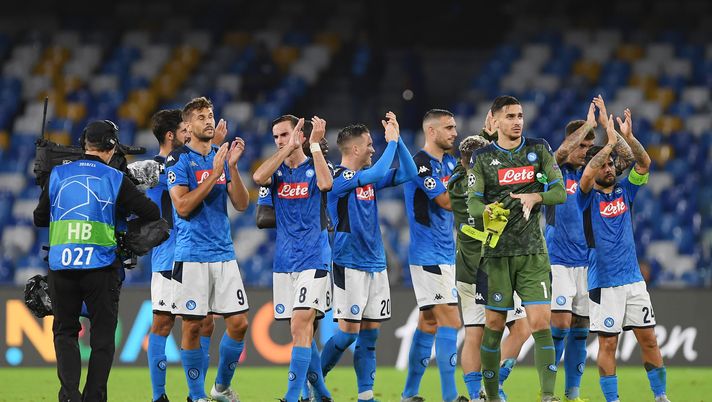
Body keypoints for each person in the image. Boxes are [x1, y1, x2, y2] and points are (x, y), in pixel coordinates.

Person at [33, 120, 161, 402]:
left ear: (84, 144)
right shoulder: (115, 179)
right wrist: (124, 230)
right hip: (101, 269)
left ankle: (69, 396)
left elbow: (40, 218)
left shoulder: (58, 174)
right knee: (102, 339)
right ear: (112, 147)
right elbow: (151, 212)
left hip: (61, 268)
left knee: (64, 333)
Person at [466, 95, 566, 402]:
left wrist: (537, 197)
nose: (517, 121)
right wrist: (487, 210)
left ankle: (548, 396)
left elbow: (560, 191)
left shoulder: (538, 149)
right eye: (510, 116)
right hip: (496, 256)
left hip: (533, 253)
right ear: (494, 121)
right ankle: (492, 396)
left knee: (540, 323)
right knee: (494, 326)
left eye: (520, 115)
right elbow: (472, 202)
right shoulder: (482, 159)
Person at [319, 112, 418, 402]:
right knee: (348, 333)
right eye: (370, 145)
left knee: (370, 335)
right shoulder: (339, 179)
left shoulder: (367, 180)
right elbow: (375, 174)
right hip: (348, 263)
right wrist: (391, 143)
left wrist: (398, 142)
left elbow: (409, 173)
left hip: (375, 264)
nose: (374, 149)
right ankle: (316, 381)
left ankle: (366, 395)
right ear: (354, 149)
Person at [577, 110, 670, 402]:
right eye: (604, 164)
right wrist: (609, 136)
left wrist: (628, 138)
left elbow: (644, 163)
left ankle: (660, 396)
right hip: (604, 283)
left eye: (611, 164)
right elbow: (589, 172)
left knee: (650, 340)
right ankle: (613, 400)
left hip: (633, 280)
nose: (609, 168)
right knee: (608, 344)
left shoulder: (625, 192)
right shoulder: (585, 196)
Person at [546, 98, 634, 402]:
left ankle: (572, 394)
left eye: (589, 145)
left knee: (580, 330)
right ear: (571, 143)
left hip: (586, 262)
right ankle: (547, 392)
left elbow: (629, 159)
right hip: (558, 260)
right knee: (559, 323)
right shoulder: (554, 171)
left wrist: (615, 135)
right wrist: (589, 125)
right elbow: (559, 153)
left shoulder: (593, 177)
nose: (586, 151)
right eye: (582, 145)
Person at [166, 97, 250, 402]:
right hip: (192, 256)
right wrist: (214, 174)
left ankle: (220, 387)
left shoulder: (220, 157)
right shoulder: (179, 160)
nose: (208, 120)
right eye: (201, 117)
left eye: (210, 115)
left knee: (239, 324)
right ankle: (196, 395)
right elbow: (183, 207)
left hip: (224, 254)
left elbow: (242, 204)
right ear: (188, 125)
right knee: (193, 327)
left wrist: (231, 168)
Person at [252, 115, 334, 402]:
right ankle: (321, 393)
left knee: (301, 324)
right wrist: (285, 150)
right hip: (284, 261)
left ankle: (291, 396)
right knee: (301, 331)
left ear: (298, 134)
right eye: (276, 137)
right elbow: (258, 178)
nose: (279, 141)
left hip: (314, 256)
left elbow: (326, 184)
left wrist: (312, 146)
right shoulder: (275, 173)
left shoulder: (316, 164)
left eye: (284, 135)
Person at [448, 133, 531, 402]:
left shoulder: (454, 182)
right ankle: (491, 386)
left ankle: (475, 395)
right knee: (521, 329)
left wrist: (485, 137)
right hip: (492, 266)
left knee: (474, 332)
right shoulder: (491, 187)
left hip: (465, 267)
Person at [145, 109, 217, 402]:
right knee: (163, 324)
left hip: (198, 254)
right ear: (171, 135)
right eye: (185, 129)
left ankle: (195, 394)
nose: (191, 134)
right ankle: (159, 395)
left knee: (206, 322)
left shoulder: (188, 162)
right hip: (167, 256)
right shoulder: (153, 169)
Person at [401, 109, 463, 402]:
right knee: (452, 323)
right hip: (428, 255)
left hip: (443, 254)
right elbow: (445, 200)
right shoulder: (420, 164)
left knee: (429, 322)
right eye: (448, 128)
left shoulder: (448, 162)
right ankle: (450, 397)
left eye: (454, 127)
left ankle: (409, 393)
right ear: (432, 131)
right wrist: (466, 176)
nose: (454, 132)